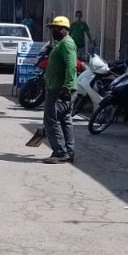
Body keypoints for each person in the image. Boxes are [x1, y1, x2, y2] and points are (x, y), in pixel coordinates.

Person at [41, 15, 78, 164]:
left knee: (51, 119)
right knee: (64, 119)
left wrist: (67, 87)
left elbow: (71, 65)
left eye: (55, 29)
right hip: (58, 87)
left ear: (64, 30)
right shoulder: (61, 43)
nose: (53, 31)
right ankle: (68, 151)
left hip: (59, 88)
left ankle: (60, 151)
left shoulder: (66, 44)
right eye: (52, 29)